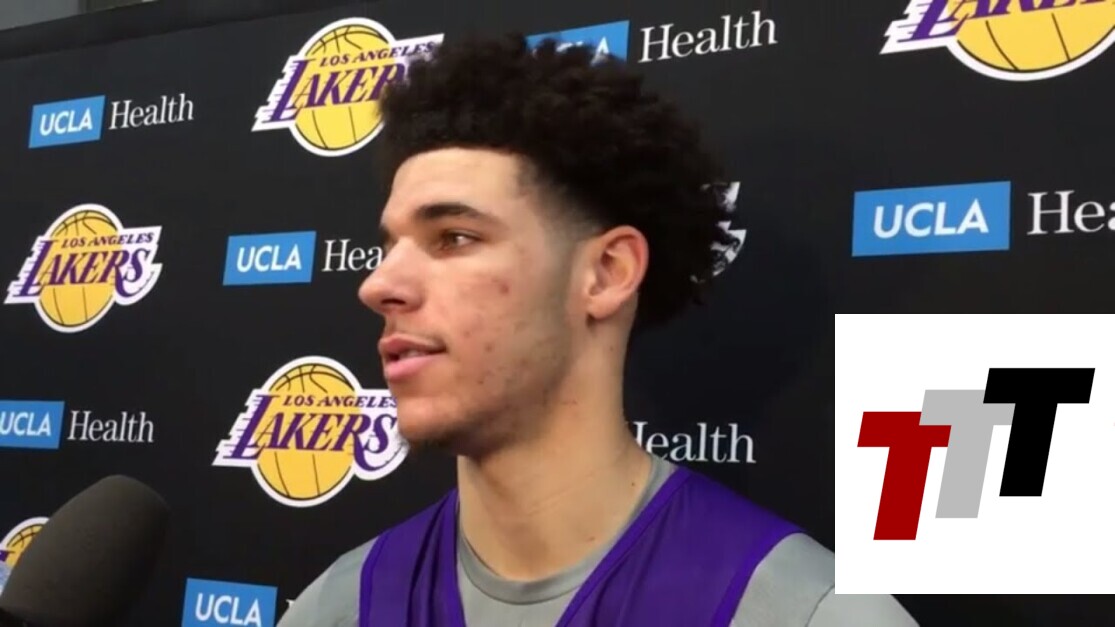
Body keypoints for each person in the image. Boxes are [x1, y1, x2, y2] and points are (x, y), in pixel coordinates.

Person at [279, 33, 918, 627]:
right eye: (388, 246)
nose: (378, 285)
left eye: (454, 238)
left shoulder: (803, 612)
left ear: (607, 273)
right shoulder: (339, 605)